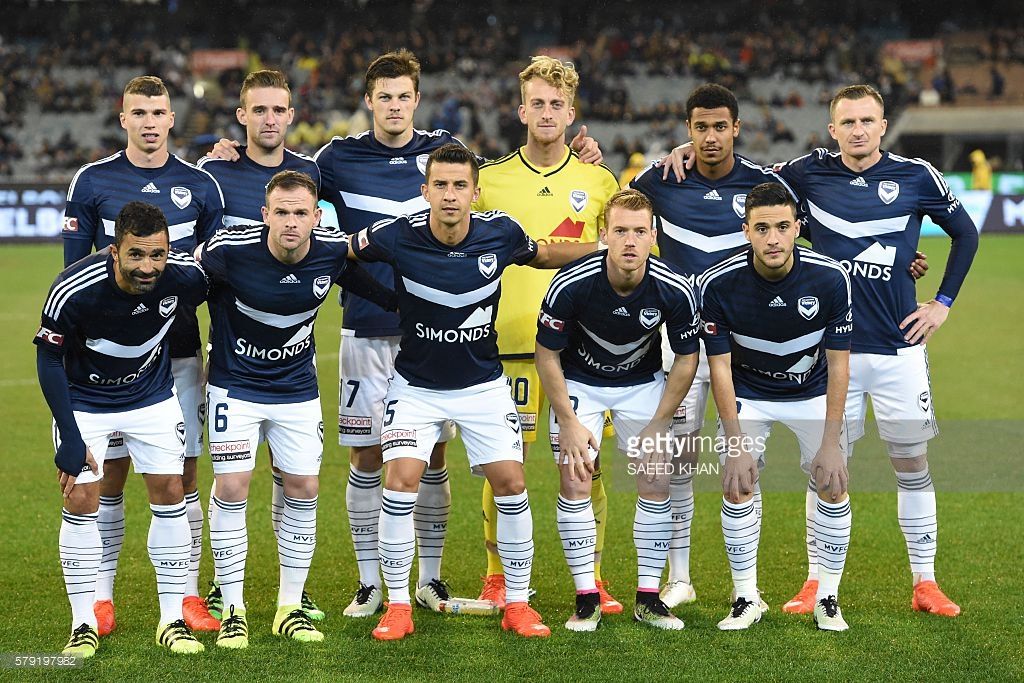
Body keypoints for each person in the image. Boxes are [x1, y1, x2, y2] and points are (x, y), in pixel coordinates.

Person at [347, 143, 598, 641]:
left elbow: (545, 252)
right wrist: (387, 298)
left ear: (475, 192)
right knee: (400, 483)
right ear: (425, 191)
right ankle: (398, 606)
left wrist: (604, 249)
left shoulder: (500, 232)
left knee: (512, 484)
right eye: (439, 185)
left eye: (459, 185)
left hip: (483, 386)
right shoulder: (399, 233)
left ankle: (519, 605)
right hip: (416, 388)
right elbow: (342, 254)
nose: (449, 194)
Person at [771, 85, 978, 617]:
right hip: (830, 351)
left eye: (868, 120)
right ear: (832, 128)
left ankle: (925, 583)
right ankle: (816, 582)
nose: (858, 129)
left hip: (897, 348)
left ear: (884, 125)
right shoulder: (805, 173)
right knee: (827, 470)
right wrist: (677, 154)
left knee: (911, 463)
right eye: (848, 122)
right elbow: (742, 180)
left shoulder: (916, 175)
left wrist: (943, 303)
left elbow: (966, 234)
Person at [197, 170, 396, 649]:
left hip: (297, 391)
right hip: (235, 387)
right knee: (232, 485)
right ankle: (233, 607)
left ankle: (289, 606)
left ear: (316, 216)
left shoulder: (330, 252)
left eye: (300, 213)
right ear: (265, 215)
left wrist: (430, 312)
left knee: (304, 487)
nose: (290, 222)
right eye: (281, 212)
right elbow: (178, 284)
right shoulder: (227, 253)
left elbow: (382, 294)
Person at [62, 75, 224, 635]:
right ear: (123, 117)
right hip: (102, 366)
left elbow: (214, 275)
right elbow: (71, 272)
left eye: (159, 112)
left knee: (179, 476)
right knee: (106, 477)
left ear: (172, 118)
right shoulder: (93, 181)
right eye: (140, 113)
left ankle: (188, 596)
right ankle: (100, 598)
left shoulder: (201, 186)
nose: (150, 122)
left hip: (176, 354)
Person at [630, 84, 794, 609]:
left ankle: (746, 587)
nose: (710, 137)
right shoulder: (660, 179)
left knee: (741, 460)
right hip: (677, 347)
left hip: (742, 352)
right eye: (700, 127)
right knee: (678, 462)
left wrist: (903, 258)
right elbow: (618, 212)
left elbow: (799, 240)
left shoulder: (764, 185)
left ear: (737, 128)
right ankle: (680, 577)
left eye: (720, 126)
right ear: (688, 130)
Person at [474, 55, 622, 612]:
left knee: (586, 464)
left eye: (556, 104)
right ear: (520, 110)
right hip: (505, 344)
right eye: (536, 102)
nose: (546, 112)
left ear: (571, 112)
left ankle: (595, 577)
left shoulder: (599, 180)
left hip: (580, 351)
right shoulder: (488, 182)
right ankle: (496, 576)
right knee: (503, 466)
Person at [37, 201, 209, 657]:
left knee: (172, 491)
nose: (148, 267)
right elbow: (49, 358)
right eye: (136, 255)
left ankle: (171, 618)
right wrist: (69, 437)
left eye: (158, 255)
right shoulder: (74, 290)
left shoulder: (183, 277)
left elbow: (232, 290)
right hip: (87, 402)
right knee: (81, 497)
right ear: (115, 251)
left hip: (150, 398)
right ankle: (83, 621)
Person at [535, 189, 700, 632]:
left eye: (640, 232)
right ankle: (586, 596)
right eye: (621, 231)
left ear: (654, 236)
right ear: (603, 234)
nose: (630, 241)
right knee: (575, 478)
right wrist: (567, 422)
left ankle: (648, 597)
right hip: (579, 385)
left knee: (656, 477)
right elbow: (546, 354)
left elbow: (687, 358)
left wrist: (660, 420)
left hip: (641, 385)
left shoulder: (675, 287)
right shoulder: (570, 283)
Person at [197, 69, 326, 622]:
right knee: (230, 481)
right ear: (242, 115)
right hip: (231, 350)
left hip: (295, 354)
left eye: (280, 110)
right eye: (260, 110)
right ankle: (226, 594)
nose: (270, 119)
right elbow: (194, 250)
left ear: (291, 115)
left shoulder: (313, 173)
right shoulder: (216, 173)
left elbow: (336, 248)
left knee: (294, 478)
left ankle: (290, 595)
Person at [699, 182, 854, 631]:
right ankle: (746, 597)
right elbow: (721, 370)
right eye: (762, 228)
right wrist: (734, 443)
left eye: (783, 227)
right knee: (736, 483)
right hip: (750, 392)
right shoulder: (718, 284)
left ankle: (828, 596)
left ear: (797, 229)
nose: (773, 238)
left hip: (813, 393)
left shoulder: (829, 278)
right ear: (745, 230)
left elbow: (840, 366)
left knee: (833, 481)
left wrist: (830, 442)